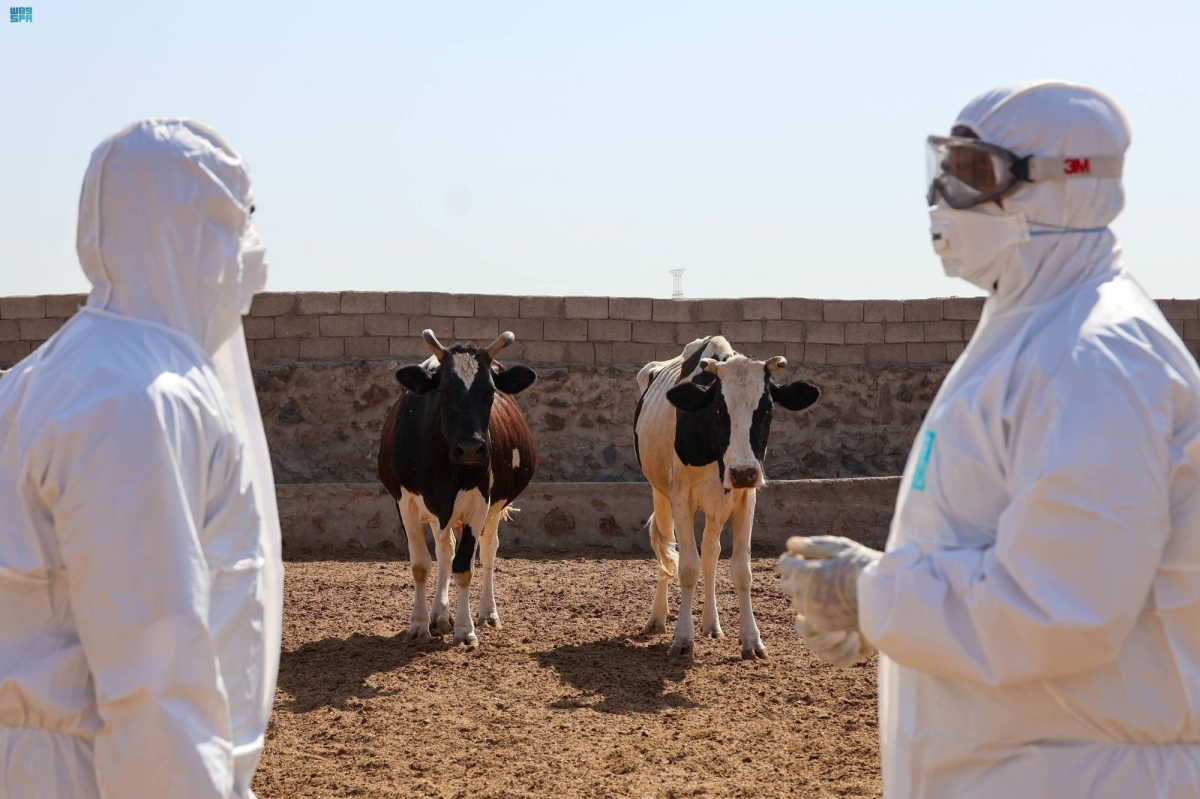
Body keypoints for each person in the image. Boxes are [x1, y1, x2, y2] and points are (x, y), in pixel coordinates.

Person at [779, 80, 1200, 798]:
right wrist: (885, 604)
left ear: (1062, 182)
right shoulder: (1036, 333)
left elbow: (1060, 609)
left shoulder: (1092, 360)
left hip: (1081, 776)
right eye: (944, 169)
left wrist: (872, 594)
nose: (943, 196)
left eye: (975, 173)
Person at [0, 120, 283, 798]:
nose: (251, 252)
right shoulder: (142, 401)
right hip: (96, 776)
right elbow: (154, 679)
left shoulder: (43, 378)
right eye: (236, 223)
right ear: (188, 233)